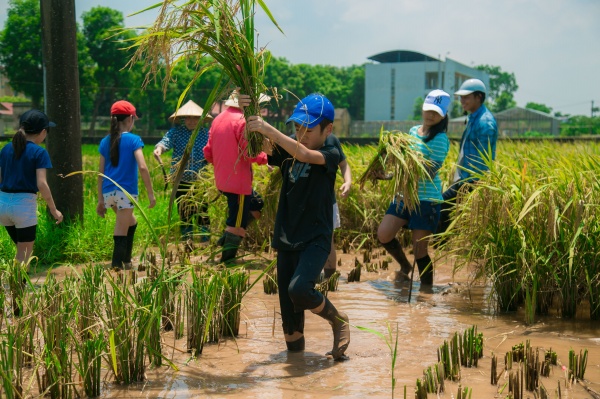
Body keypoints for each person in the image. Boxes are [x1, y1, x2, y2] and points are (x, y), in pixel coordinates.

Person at [245, 93, 350, 361]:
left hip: (315, 237)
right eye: (297, 128)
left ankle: (337, 319)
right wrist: (249, 113)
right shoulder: (287, 151)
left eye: (308, 129)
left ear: (328, 129)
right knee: (290, 327)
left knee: (299, 290)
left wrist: (269, 128)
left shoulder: (329, 151)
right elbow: (260, 144)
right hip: (287, 236)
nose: (301, 134)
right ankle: (297, 370)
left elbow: (304, 153)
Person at [377, 90, 451, 285]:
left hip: (426, 199)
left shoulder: (440, 139)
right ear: (423, 108)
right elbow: (404, 169)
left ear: (443, 114)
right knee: (383, 234)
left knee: (420, 250)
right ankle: (405, 266)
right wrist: (387, 175)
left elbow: (429, 171)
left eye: (436, 112)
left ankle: (426, 295)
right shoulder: (412, 131)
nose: (430, 114)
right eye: (428, 109)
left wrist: (404, 164)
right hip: (404, 195)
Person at [203, 91, 270, 264]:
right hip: (238, 184)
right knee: (237, 223)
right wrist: (265, 158)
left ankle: (227, 238)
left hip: (223, 181)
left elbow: (208, 152)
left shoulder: (218, 119)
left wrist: (222, 165)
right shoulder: (242, 121)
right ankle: (226, 260)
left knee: (257, 203)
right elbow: (248, 152)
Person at [97, 100, 156, 271]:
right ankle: (117, 267)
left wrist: (101, 200)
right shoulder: (134, 139)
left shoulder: (104, 141)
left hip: (109, 193)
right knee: (121, 228)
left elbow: (100, 174)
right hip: (126, 193)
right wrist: (151, 194)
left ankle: (127, 261)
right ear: (130, 119)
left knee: (131, 222)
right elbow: (143, 167)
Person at [0, 110, 63, 263]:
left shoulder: (6, 149)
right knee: (25, 254)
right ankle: (17, 287)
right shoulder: (39, 152)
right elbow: (41, 183)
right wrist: (53, 209)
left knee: (21, 249)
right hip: (23, 206)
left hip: (2, 204)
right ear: (42, 132)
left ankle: (15, 285)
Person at [438, 79, 498, 234]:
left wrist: (478, 185)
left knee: (443, 205)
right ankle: (444, 243)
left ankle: (442, 244)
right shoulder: (474, 117)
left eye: (466, 97)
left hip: (473, 181)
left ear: (478, 97)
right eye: (461, 97)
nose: (462, 100)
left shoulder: (485, 123)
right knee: (447, 208)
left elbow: (485, 158)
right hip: (465, 178)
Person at [153, 100, 212, 246]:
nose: (191, 121)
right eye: (188, 118)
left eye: (195, 118)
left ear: (201, 120)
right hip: (181, 179)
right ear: (182, 119)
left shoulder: (206, 134)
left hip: (201, 179)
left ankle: (205, 239)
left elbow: (214, 151)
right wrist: (159, 149)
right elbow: (165, 142)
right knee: (184, 209)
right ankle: (187, 239)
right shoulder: (176, 132)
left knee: (202, 208)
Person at [323, 134, 351, 279]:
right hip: (303, 204)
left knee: (328, 240)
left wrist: (348, 181)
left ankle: (329, 280)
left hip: (327, 201)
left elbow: (344, 163)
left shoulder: (330, 139)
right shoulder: (295, 137)